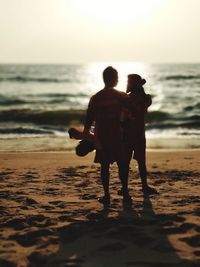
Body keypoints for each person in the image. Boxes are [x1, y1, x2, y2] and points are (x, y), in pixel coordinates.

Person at [83, 66, 131, 204]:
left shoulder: (95, 98)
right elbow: (132, 113)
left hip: (102, 136)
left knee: (104, 166)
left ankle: (106, 195)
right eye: (117, 77)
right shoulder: (122, 96)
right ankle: (126, 193)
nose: (118, 79)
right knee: (122, 165)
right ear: (114, 79)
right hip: (118, 135)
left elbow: (89, 119)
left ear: (104, 79)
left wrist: (86, 133)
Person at [124, 74, 157, 195]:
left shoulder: (127, 99)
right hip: (139, 134)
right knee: (141, 163)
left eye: (128, 82)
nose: (127, 84)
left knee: (125, 163)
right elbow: (145, 102)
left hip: (127, 135)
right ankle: (144, 186)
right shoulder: (146, 99)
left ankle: (125, 188)